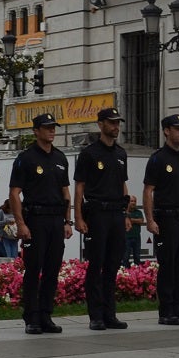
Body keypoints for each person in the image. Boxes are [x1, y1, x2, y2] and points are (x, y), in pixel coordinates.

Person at [12, 113, 73, 335]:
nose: (51, 131)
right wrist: (21, 223)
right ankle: (31, 317)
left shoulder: (59, 158)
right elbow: (15, 193)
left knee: (52, 269)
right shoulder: (26, 158)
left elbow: (65, 191)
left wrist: (68, 221)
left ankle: (46, 314)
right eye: (47, 127)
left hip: (56, 220)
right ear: (36, 131)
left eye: (53, 127)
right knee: (33, 269)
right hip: (35, 220)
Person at [74, 108, 131, 331]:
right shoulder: (90, 153)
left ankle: (110, 314)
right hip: (97, 213)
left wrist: (126, 213)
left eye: (117, 123)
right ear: (100, 125)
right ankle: (95, 315)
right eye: (111, 123)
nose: (115, 127)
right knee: (96, 265)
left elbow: (122, 184)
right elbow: (80, 187)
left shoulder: (120, 153)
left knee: (113, 265)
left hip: (116, 213)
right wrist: (78, 217)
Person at [144, 113, 179, 328]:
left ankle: (177, 307)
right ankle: (166, 310)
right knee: (167, 265)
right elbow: (148, 190)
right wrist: (150, 219)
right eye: (177, 128)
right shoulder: (158, 158)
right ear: (166, 131)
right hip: (166, 219)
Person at [124, 195, 145, 266]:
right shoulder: (125, 213)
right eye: (131, 201)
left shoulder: (139, 212)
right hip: (127, 237)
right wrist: (135, 220)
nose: (133, 203)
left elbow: (141, 221)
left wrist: (131, 219)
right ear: (128, 202)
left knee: (137, 256)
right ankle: (125, 272)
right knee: (126, 256)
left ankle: (138, 272)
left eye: (135, 201)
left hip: (136, 237)